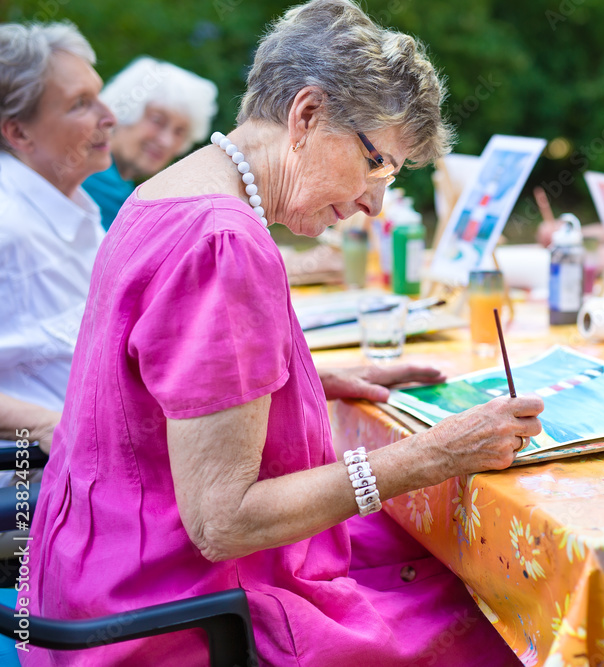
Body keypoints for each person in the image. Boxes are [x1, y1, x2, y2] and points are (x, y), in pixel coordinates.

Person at [23, 1, 543, 665]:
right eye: (379, 165)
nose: (373, 203)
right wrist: (430, 456)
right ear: (307, 115)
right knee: (502, 611)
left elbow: (151, 393)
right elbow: (223, 520)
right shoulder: (224, 242)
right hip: (170, 619)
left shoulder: (166, 192)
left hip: (92, 577)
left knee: (421, 550)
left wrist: (295, 378)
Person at [0, 22, 115, 455]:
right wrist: (50, 426)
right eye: (81, 104)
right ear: (19, 133)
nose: (110, 116)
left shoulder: (70, 201)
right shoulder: (7, 222)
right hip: (41, 485)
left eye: (98, 93)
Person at [83, 56, 217, 229]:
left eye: (179, 131)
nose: (166, 141)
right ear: (124, 112)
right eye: (157, 120)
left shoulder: (125, 188)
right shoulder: (89, 176)